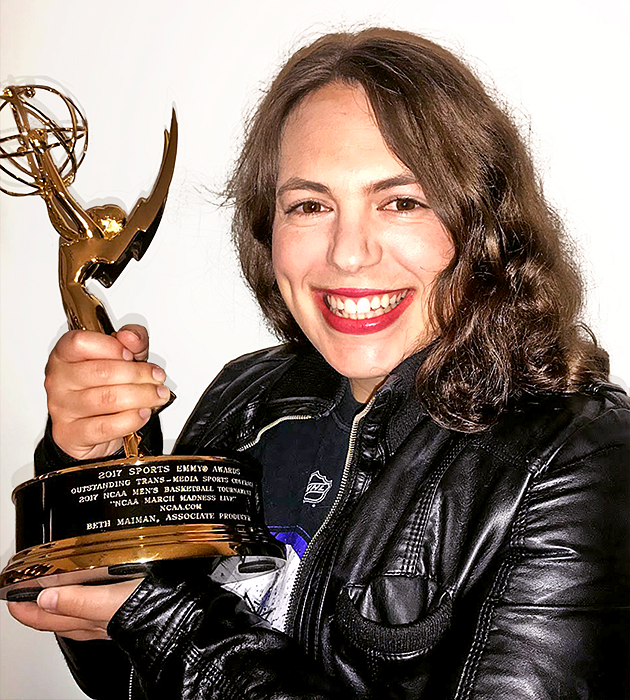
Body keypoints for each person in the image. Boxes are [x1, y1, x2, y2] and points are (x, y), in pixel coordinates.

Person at [8, 27, 630, 699]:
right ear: (267, 229)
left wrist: (167, 623)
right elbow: (125, 677)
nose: (348, 253)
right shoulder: (247, 397)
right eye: (309, 205)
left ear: (482, 224)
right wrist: (86, 462)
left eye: (401, 201)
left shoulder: (578, 459)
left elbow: (164, 636)